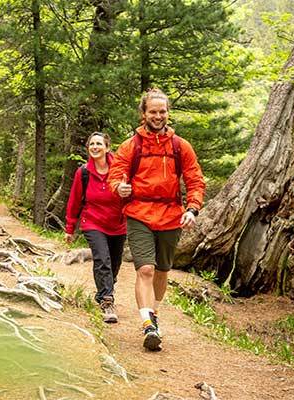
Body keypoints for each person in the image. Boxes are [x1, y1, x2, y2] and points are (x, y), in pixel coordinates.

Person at [107, 88, 205, 351]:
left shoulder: (180, 146)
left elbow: (195, 180)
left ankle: (155, 314)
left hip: (172, 215)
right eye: (153, 111)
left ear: (167, 113)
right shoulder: (131, 146)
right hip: (139, 213)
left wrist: (192, 209)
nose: (158, 116)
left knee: (162, 271)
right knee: (145, 269)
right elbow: (115, 176)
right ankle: (147, 324)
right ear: (144, 113)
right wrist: (120, 188)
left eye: (162, 111)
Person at [64, 132, 127, 324]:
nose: (95, 147)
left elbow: (133, 194)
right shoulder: (83, 172)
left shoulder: (120, 170)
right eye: (92, 144)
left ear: (107, 147)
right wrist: (69, 228)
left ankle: (104, 290)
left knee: (114, 264)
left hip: (118, 224)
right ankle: (107, 302)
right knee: (102, 259)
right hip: (92, 222)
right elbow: (74, 201)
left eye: (99, 143)